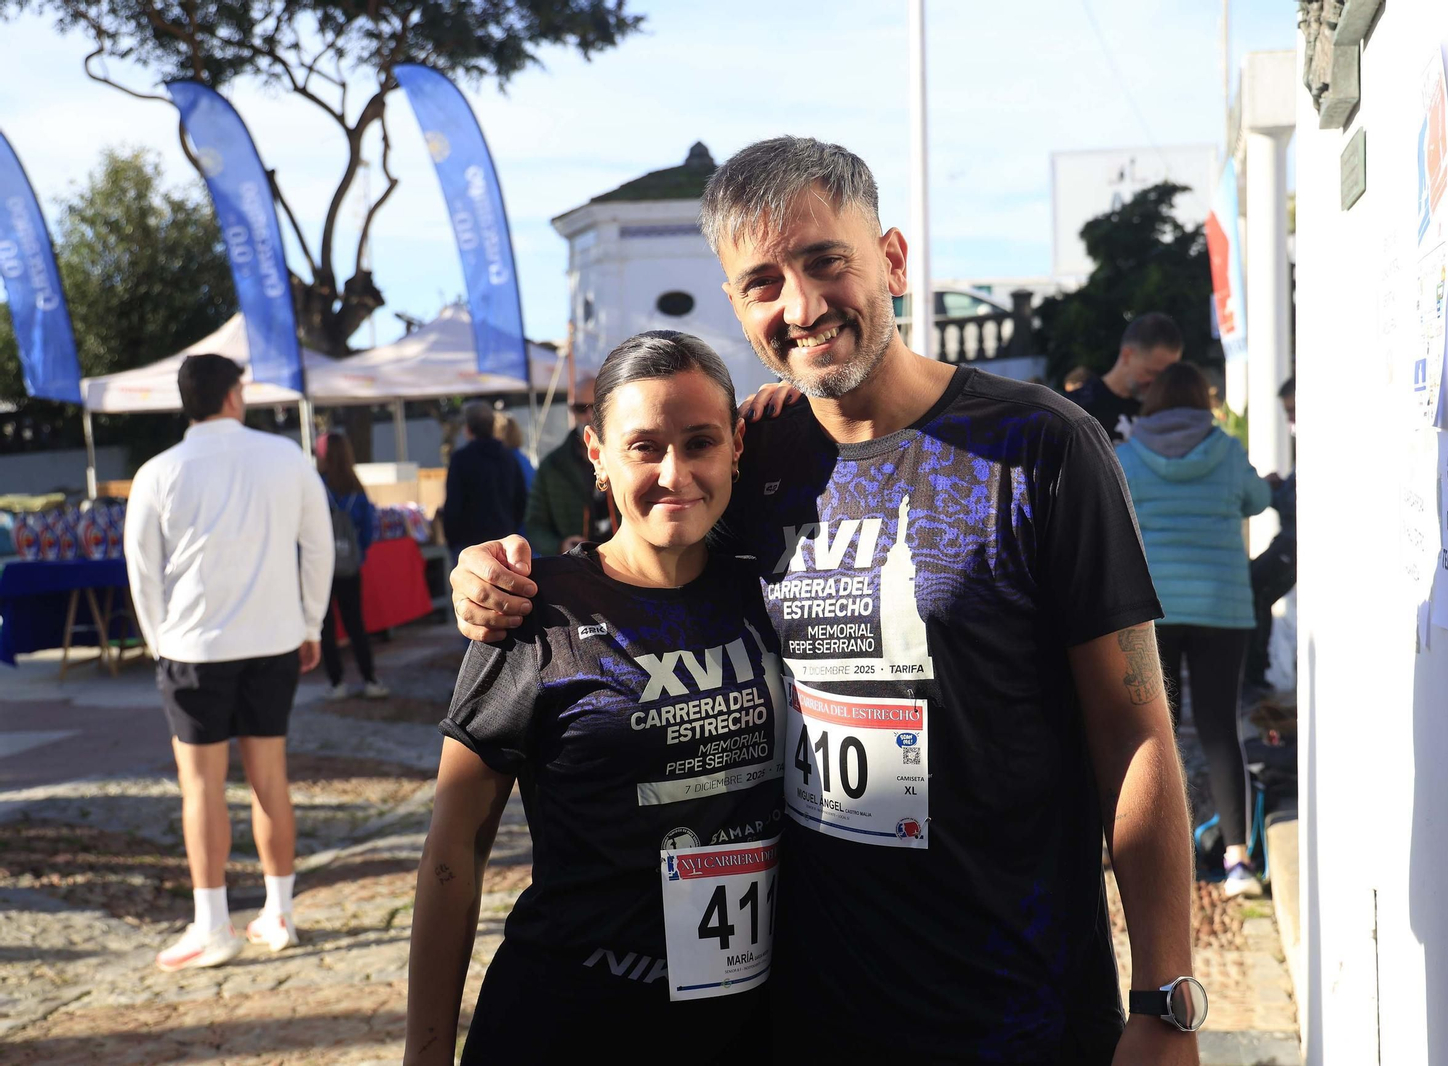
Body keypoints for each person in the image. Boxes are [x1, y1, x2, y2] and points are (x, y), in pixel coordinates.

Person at [447, 136, 1203, 1065]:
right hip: (809, 1016)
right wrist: (500, 579)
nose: (802, 306)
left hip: (1017, 1011)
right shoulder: (757, 458)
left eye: (824, 262)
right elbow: (640, 564)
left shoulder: (1040, 448)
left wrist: (1166, 1000)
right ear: (735, 303)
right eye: (763, 281)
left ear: (889, 258)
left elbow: (1134, 731)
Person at [405, 332, 780, 1064]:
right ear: (597, 454)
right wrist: (425, 1055)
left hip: (751, 1024)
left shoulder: (772, 587)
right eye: (644, 446)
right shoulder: (532, 612)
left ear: (736, 444)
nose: (676, 473)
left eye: (700, 442)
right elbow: (454, 849)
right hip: (571, 1020)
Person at [124, 354, 333, 970]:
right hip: (272, 640)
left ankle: (213, 924)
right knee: (270, 778)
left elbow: (141, 569)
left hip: (193, 648)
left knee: (201, 787)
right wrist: (310, 622)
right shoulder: (286, 458)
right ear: (235, 396)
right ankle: (280, 912)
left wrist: (160, 639)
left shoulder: (158, 471)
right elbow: (317, 543)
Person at [1114, 362, 1272, 899]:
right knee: (1219, 728)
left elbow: (1114, 517)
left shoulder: (1129, 456)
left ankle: (1159, 857)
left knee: (1155, 731)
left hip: (1152, 608)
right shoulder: (1226, 451)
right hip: (1222, 606)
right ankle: (1238, 863)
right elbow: (1257, 500)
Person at [316, 431, 388, 700]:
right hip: (350, 567)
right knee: (356, 624)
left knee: (327, 626)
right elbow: (369, 529)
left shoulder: (317, 486)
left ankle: (336, 683)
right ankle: (370, 678)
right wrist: (358, 555)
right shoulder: (357, 489)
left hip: (323, 566)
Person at [1245, 377, 1297, 695]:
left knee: (1254, 587)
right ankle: (1253, 673)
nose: (1290, 420)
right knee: (1253, 586)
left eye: (1293, 411)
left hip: (1296, 542)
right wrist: (1275, 488)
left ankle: (1255, 675)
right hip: (1289, 538)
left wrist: (1275, 490)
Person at [524, 375, 614, 556]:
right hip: (580, 566)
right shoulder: (552, 465)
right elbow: (534, 524)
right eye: (581, 408)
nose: (589, 416)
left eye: (596, 407)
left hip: (627, 562)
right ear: (572, 411)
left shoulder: (628, 455)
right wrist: (560, 546)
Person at [1067, 312, 1185, 442]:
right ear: (1127, 355)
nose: (1157, 383)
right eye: (1151, 373)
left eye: (1165, 377)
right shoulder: (1077, 408)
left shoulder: (1164, 412)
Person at [441, 401, 527, 559]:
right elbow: (521, 500)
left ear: (467, 429)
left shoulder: (461, 459)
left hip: (471, 545)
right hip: (504, 542)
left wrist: (452, 542)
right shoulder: (508, 456)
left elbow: (453, 505)